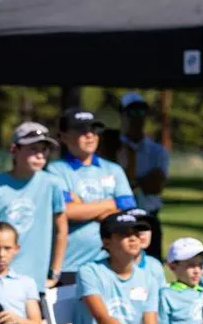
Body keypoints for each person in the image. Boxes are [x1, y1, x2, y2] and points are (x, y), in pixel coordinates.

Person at [66, 211, 162, 324]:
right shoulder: (89, 272)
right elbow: (103, 318)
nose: (133, 238)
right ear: (106, 242)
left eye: (136, 233)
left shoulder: (149, 279)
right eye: (124, 234)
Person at [47, 107, 136, 278]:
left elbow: (127, 216)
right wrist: (110, 203)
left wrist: (83, 207)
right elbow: (67, 211)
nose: (90, 135)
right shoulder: (56, 170)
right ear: (64, 137)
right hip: (69, 265)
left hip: (109, 264)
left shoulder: (113, 169)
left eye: (94, 130)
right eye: (81, 130)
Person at [0, 121, 68, 286]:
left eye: (44, 150)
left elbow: (61, 229)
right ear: (14, 150)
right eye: (33, 149)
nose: (40, 155)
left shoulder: (52, 184)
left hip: (37, 281)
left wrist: (55, 272)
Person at [118, 92, 170, 259]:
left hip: (149, 216)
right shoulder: (111, 147)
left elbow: (156, 186)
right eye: (132, 112)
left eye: (141, 112)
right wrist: (140, 180)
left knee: (152, 266)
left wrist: (130, 181)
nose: (137, 118)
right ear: (122, 115)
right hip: (121, 217)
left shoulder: (157, 150)